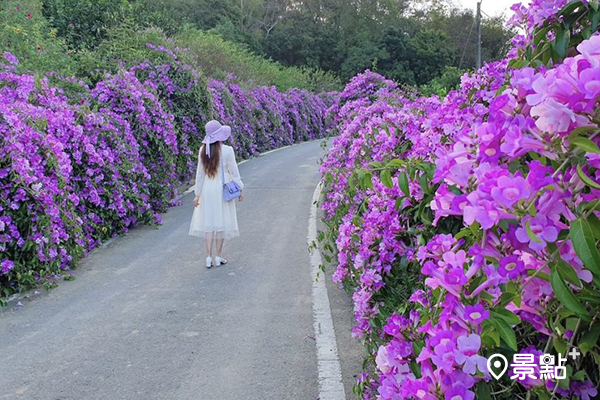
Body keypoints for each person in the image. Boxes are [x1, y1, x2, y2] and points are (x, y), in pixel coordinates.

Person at [189, 120, 244, 268]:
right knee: (220, 224)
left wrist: (197, 194)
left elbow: (199, 175)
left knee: (209, 223)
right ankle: (218, 257)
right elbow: (234, 171)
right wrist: (239, 187)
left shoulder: (202, 150)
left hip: (207, 188)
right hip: (222, 188)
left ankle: (208, 257)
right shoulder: (227, 150)